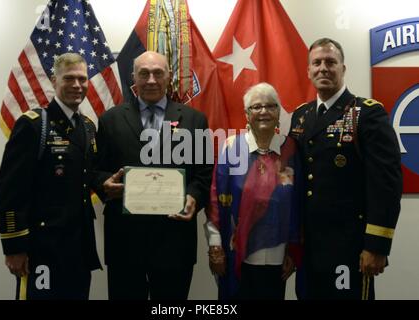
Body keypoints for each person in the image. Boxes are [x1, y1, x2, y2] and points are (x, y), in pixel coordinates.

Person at [93, 51, 213, 300]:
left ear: (169, 77)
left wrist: (193, 197)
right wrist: (104, 184)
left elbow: (203, 174)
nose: (151, 80)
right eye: (144, 73)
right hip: (125, 242)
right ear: (133, 78)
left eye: (158, 73)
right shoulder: (110, 120)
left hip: (174, 241)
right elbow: (94, 170)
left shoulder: (194, 120)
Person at [289, 38, 402, 299]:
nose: (323, 68)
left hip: (350, 246)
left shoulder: (367, 113)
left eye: (330, 62)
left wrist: (377, 245)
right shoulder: (301, 116)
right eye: (316, 63)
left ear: (343, 68)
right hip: (309, 247)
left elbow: (386, 184)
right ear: (308, 71)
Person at [0, 53, 101, 299]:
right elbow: (10, 192)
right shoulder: (33, 125)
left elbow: (88, 177)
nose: (77, 85)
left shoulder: (87, 126)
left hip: (78, 249)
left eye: (82, 79)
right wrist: (14, 247)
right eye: (69, 78)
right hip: (43, 249)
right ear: (54, 81)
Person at [205, 82, 301, 300]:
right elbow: (214, 200)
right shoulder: (231, 148)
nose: (264, 112)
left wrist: (293, 250)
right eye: (256, 107)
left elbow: (298, 204)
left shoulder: (291, 149)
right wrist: (215, 247)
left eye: (271, 106)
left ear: (279, 113)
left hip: (278, 257)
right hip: (237, 254)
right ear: (247, 115)